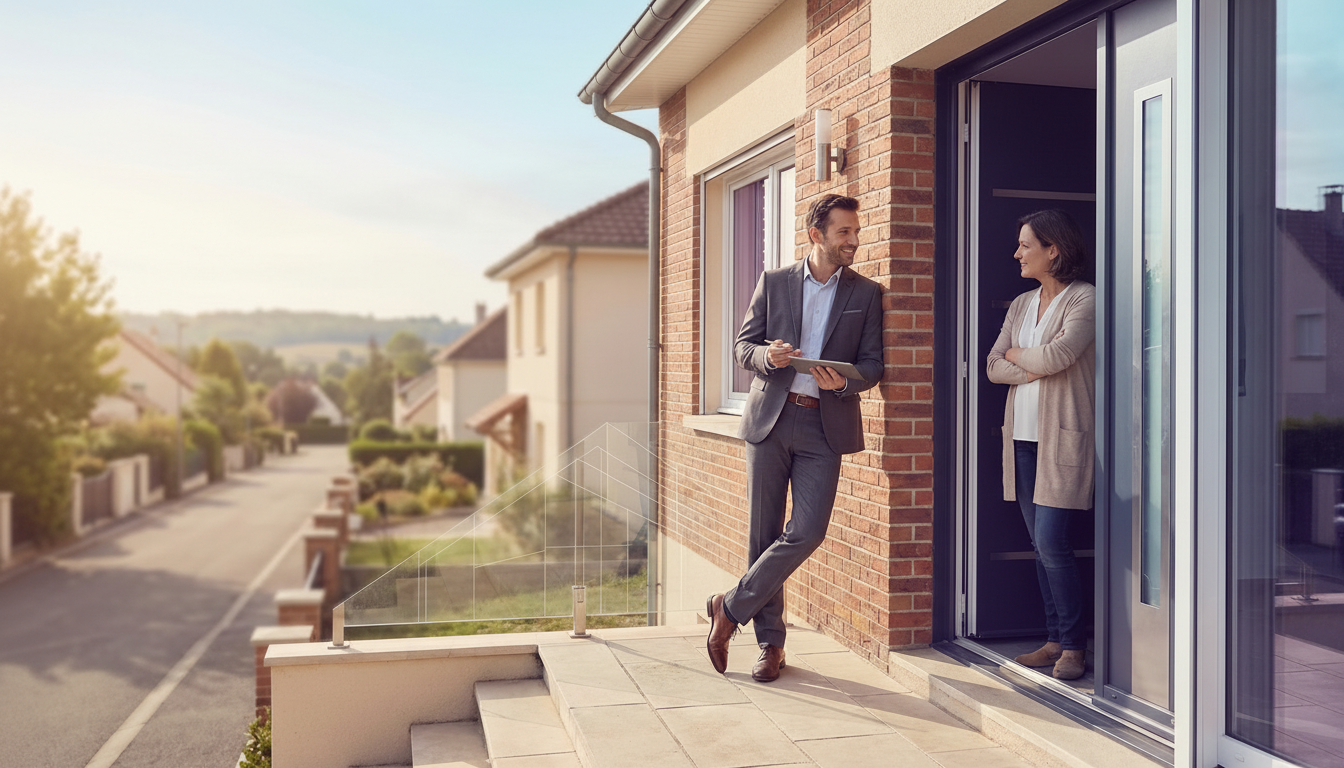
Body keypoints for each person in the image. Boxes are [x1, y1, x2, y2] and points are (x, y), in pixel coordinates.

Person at [705, 193, 884, 682]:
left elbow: (873, 365)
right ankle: (771, 645)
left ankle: (728, 607)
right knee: (763, 534)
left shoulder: (866, 293)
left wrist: (844, 382)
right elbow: (743, 346)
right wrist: (768, 357)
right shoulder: (775, 282)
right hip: (771, 420)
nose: (853, 239)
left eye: (855, 230)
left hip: (825, 427)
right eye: (844, 231)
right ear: (816, 234)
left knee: (808, 531)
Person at [986, 209, 1096, 681]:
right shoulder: (1020, 304)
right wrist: (1033, 366)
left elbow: (1060, 355)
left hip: (1062, 438)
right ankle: (1053, 639)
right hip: (1023, 440)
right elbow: (992, 365)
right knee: (1040, 544)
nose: (1017, 253)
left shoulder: (1084, 298)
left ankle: (1073, 646)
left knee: (1052, 542)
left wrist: (1021, 357)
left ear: (1053, 250)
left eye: (1025, 245)